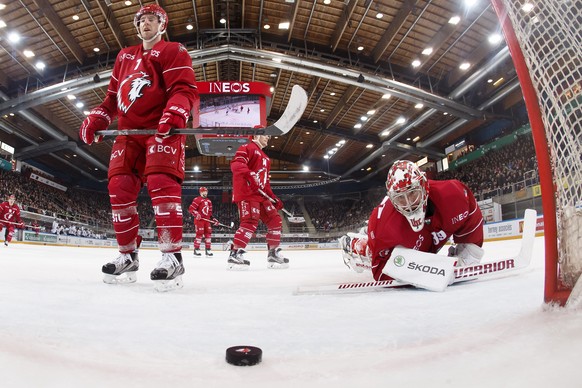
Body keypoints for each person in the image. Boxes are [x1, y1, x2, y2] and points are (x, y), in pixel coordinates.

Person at [78, 4, 198, 290]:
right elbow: (111, 99)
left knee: (160, 183)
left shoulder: (174, 51)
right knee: (119, 186)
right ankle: (127, 255)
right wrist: (98, 116)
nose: (146, 24)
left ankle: (172, 257)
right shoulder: (124, 56)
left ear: (162, 25)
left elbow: (184, 89)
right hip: (129, 133)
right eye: (142, 20)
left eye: (152, 20)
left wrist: (176, 111)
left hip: (161, 129)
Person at [340, 160, 484, 282]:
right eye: (400, 198)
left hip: (422, 237)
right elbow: (380, 272)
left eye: (412, 193)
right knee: (374, 251)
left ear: (424, 186)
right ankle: (359, 245)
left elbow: (471, 216)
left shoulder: (452, 194)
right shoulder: (386, 227)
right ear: (393, 200)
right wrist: (421, 272)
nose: (409, 203)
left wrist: (468, 250)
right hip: (384, 228)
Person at [228, 135, 290, 270]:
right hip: (247, 193)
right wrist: (249, 175)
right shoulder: (247, 147)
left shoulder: (266, 158)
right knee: (249, 221)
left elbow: (265, 183)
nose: (268, 137)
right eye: (265, 135)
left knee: (275, 220)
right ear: (256, 135)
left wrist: (274, 198)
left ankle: (273, 253)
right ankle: (235, 255)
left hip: (261, 195)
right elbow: (236, 165)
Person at [188, 187, 219, 257]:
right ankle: (196, 250)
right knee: (199, 234)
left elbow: (210, 213)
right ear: (200, 192)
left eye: (206, 191)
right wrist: (196, 214)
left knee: (208, 235)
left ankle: (208, 250)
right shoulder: (197, 199)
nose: (205, 193)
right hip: (199, 220)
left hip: (207, 221)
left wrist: (213, 219)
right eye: (203, 192)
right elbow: (191, 209)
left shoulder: (209, 201)